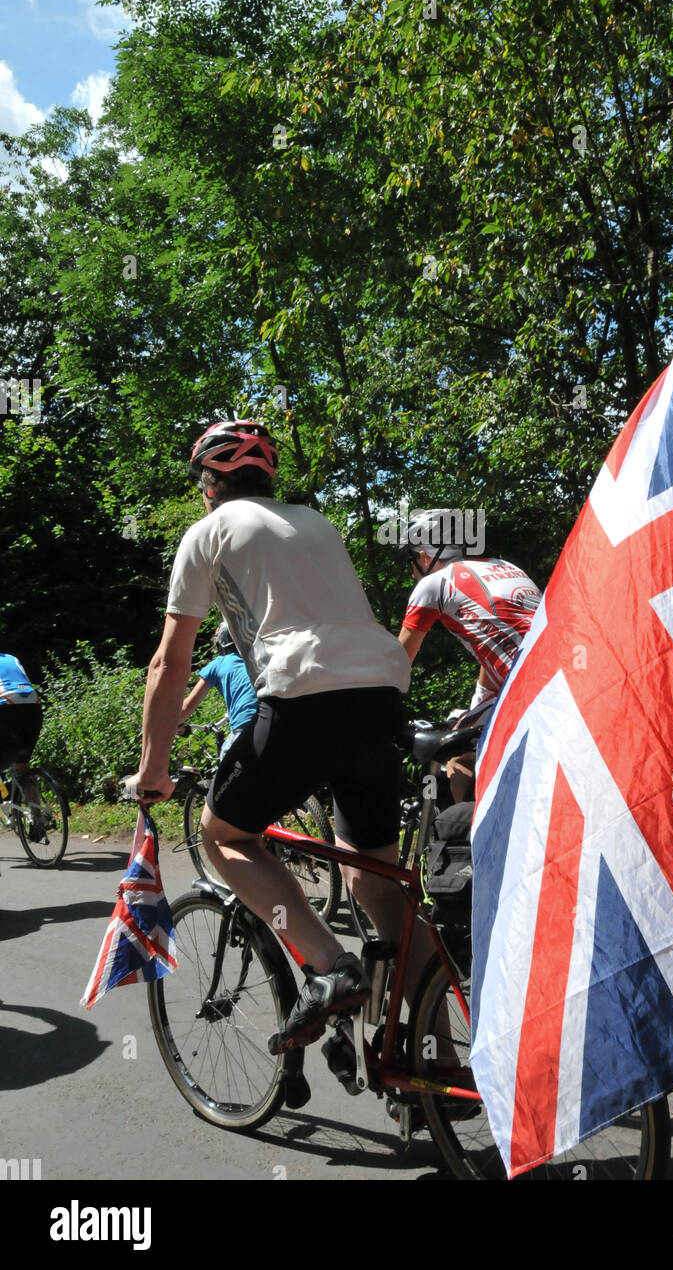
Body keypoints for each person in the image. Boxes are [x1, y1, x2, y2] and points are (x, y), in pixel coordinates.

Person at [131, 419, 412, 1053]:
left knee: (224, 834)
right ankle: (433, 1056)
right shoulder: (316, 523)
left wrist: (153, 768)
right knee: (375, 876)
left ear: (210, 483)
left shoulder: (208, 533)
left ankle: (330, 966)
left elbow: (170, 662)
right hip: (379, 698)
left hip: (302, 698)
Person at [397, 509, 542, 799]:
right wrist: (479, 701)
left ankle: (468, 833)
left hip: (529, 689)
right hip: (559, 673)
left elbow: (395, 665)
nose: (412, 572)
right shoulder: (506, 566)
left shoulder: (434, 584)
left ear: (425, 556)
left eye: (411, 561)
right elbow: (500, 639)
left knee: (458, 759)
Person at [177, 622, 258, 757]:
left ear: (221, 642)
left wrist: (173, 725)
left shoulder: (219, 663)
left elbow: (185, 709)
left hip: (245, 727)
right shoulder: (257, 658)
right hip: (274, 721)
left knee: (225, 769)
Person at [0, 654, 43, 802]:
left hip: (5, 708)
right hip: (33, 707)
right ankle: (37, 817)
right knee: (22, 765)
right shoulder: (12, 658)